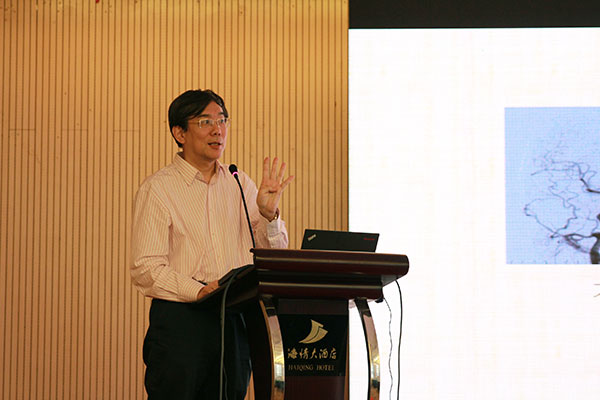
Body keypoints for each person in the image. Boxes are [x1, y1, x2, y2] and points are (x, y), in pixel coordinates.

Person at [130, 89, 294, 399]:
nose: (218, 130)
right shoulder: (159, 188)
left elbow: (273, 258)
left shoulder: (239, 182)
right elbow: (145, 268)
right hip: (181, 322)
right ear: (180, 133)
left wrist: (269, 215)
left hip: (235, 319)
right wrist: (199, 291)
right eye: (205, 121)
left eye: (222, 120)